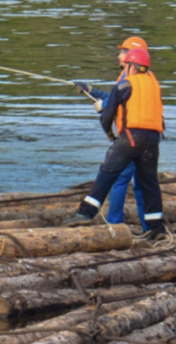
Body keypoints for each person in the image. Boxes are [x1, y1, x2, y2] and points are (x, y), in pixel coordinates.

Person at [63, 46, 167, 242]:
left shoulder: (124, 85)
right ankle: (156, 227)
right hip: (153, 140)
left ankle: (85, 213)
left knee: (107, 173)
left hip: (130, 137)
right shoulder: (154, 85)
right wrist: (93, 92)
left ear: (132, 67)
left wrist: (110, 135)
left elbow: (107, 116)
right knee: (149, 183)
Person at [72, 36, 148, 231]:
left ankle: (114, 224)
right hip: (147, 139)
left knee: (119, 178)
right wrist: (91, 90)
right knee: (142, 183)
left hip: (131, 138)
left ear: (131, 56)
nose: (118, 55)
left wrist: (103, 108)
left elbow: (118, 102)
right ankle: (149, 226)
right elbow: (115, 97)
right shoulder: (137, 76)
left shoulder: (130, 78)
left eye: (122, 52)